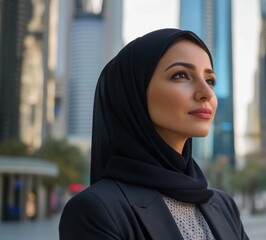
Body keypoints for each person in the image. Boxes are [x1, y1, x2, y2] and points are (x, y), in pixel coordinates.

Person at [59, 28, 249, 240]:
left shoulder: (224, 206)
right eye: (181, 75)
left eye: (210, 80)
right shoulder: (96, 210)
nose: (206, 93)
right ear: (134, 93)